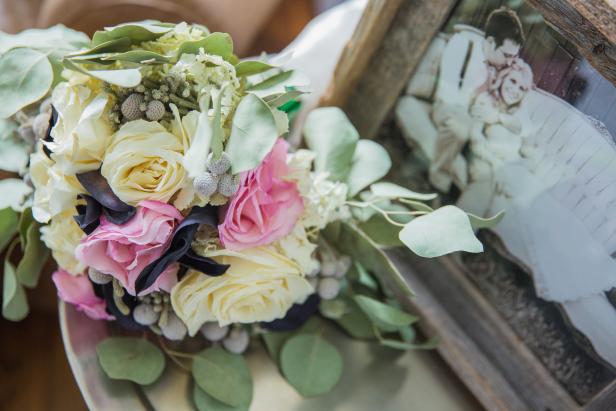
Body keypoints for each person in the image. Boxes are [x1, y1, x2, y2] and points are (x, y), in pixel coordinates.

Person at [429, 8, 525, 192]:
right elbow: (446, 92)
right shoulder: (463, 45)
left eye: (514, 57)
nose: (510, 62)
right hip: (448, 108)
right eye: (507, 55)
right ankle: (437, 185)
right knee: (459, 126)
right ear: (490, 42)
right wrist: (476, 114)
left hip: (479, 119)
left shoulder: (504, 67)